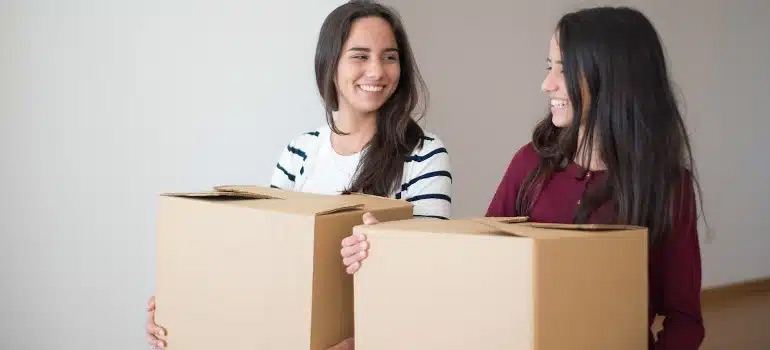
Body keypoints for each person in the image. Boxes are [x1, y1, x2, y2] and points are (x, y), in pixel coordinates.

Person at [342, 6, 704, 350]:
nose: (547, 84)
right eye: (550, 67)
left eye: (564, 69)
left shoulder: (668, 186)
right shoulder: (530, 164)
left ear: (612, 77)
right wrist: (387, 243)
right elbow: (474, 258)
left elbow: (684, 320)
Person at [146, 1, 451, 349]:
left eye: (390, 57)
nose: (377, 71)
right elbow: (264, 258)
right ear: (330, 64)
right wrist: (181, 307)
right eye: (360, 55)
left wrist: (361, 335)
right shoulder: (300, 152)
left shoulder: (424, 153)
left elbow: (430, 277)